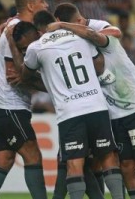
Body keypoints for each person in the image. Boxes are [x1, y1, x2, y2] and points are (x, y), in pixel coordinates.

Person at [52, 2, 135, 199]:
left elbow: (115, 32)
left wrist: (64, 26)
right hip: (115, 115)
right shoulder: (75, 47)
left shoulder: (99, 32)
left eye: (74, 25)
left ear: (80, 22)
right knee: (125, 167)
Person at [10, 10, 124, 199]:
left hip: (70, 112)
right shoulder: (80, 37)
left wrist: (53, 79)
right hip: (97, 106)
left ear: (38, 30)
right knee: (108, 157)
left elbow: (26, 75)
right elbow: (99, 65)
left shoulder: (36, 48)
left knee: (74, 164)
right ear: (55, 21)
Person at [0, 0, 49, 199]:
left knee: (4, 160)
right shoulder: (16, 31)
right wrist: (50, 86)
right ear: (30, 5)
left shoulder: (17, 26)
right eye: (42, 1)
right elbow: (15, 76)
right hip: (9, 105)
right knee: (32, 155)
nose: (46, 5)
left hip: (6, 104)